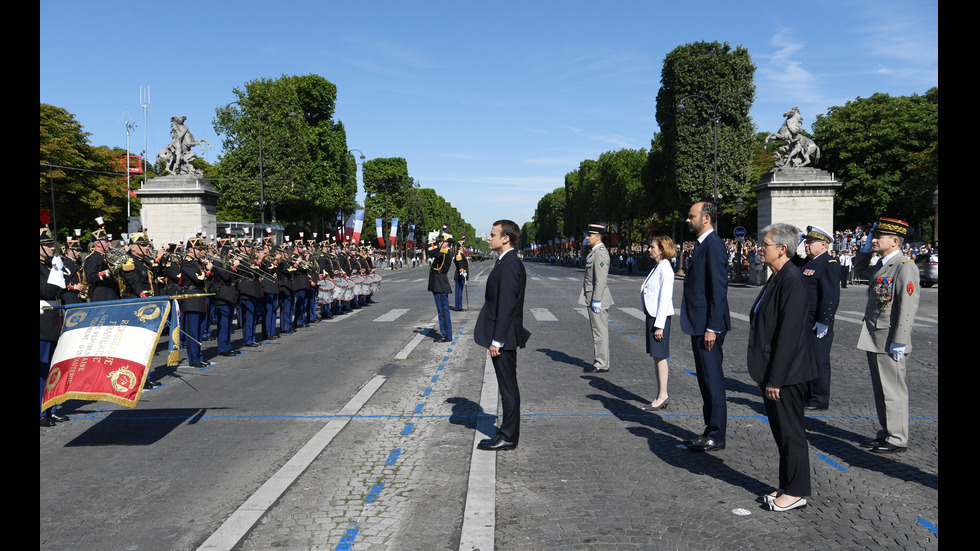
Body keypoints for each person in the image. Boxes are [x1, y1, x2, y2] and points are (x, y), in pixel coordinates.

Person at [748, 223, 817, 512]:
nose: (759, 247)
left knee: (791, 433)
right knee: (781, 432)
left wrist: (775, 379)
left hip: (788, 374)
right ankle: (787, 485)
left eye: (764, 244)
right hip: (774, 370)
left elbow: (788, 336)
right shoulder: (777, 277)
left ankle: (797, 490)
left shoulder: (791, 280)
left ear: (782, 248)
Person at [853, 217, 920, 454]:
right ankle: (886, 432)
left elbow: (907, 306)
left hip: (890, 339)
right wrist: (867, 242)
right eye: (875, 236)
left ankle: (898, 437)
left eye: (879, 237)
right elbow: (858, 267)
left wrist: (900, 340)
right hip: (875, 337)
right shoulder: (882, 264)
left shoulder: (904, 266)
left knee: (893, 391)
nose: (875, 240)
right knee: (881, 390)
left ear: (894, 241)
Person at [474, 220, 530, 451]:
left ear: (505, 238)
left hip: (504, 336)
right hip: (503, 334)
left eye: (492, 234)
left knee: (508, 388)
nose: (489, 238)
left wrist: (497, 340)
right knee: (506, 386)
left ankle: (508, 436)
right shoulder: (505, 261)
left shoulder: (510, 264)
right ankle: (507, 431)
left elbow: (507, 305)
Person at [680, 202, 731, 452]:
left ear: (706, 218)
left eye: (692, 216)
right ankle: (709, 429)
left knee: (713, 380)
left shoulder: (714, 246)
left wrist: (713, 327)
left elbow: (718, 290)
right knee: (704, 380)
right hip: (699, 323)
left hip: (708, 326)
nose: (687, 220)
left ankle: (718, 434)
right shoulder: (703, 245)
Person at [791, 226, 840, 410]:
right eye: (807, 242)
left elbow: (831, 295)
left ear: (823, 244)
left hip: (817, 320)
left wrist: (824, 321)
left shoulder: (828, 264)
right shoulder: (808, 263)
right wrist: (797, 241)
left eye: (811, 242)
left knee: (819, 359)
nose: (807, 246)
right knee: (806, 359)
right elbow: (791, 259)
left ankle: (820, 398)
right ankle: (808, 394)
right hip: (804, 319)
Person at [640, 236, 676, 411]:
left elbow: (665, 298)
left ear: (661, 249)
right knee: (657, 356)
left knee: (660, 356)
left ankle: (663, 395)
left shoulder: (665, 269)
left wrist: (659, 325)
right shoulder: (658, 266)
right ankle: (661, 393)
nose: (649, 249)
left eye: (652, 247)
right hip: (653, 316)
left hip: (658, 318)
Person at [578, 223, 614, 372]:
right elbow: (583, 256)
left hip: (596, 298)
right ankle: (600, 360)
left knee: (600, 332)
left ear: (597, 237)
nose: (587, 238)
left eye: (589, 236)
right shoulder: (594, 251)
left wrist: (597, 299)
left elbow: (600, 279)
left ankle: (602, 363)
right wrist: (584, 244)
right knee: (598, 331)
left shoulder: (600, 253)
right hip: (593, 296)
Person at [427, 235, 454, 342]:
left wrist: (430, 241)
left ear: (446, 243)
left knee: (443, 311)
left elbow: (432, 252)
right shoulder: (442, 252)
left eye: (441, 241)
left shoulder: (447, 253)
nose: (439, 243)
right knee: (441, 310)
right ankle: (445, 333)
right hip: (437, 283)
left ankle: (447, 335)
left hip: (440, 284)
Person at [453, 241, 469, 311]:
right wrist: (462, 271)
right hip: (460, 275)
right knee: (459, 292)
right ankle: (459, 307)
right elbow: (459, 264)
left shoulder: (461, 254)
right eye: (463, 246)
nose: (464, 248)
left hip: (462, 275)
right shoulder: (459, 254)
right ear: (460, 247)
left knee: (460, 291)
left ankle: (459, 306)